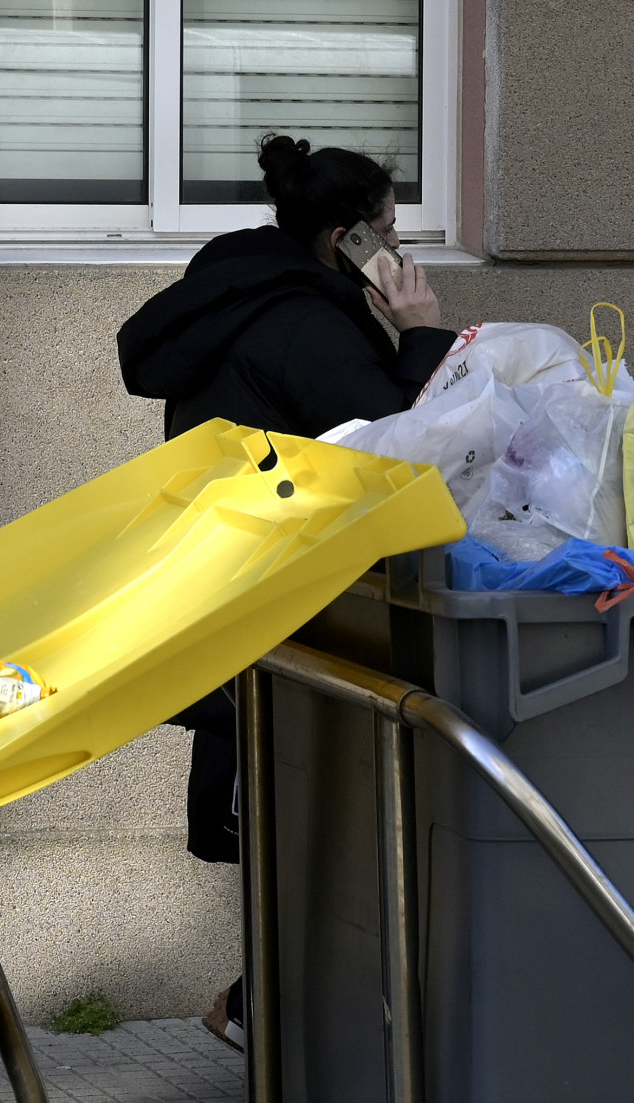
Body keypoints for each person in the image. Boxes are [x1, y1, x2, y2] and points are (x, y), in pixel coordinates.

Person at [116, 134, 456, 1049]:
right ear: (344, 236)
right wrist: (420, 332)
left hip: (242, 591)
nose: (399, 249)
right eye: (387, 230)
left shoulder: (245, 294)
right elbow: (394, 446)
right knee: (317, 821)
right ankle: (266, 1010)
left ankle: (263, 1005)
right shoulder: (299, 319)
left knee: (299, 819)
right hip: (283, 601)